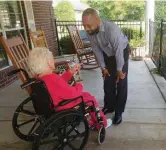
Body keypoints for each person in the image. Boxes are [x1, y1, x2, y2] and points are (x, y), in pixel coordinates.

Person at [28, 47, 112, 129]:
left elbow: (58, 85)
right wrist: (79, 86)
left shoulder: (39, 79)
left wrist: (70, 72)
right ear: (49, 63)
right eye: (53, 59)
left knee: (86, 95)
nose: (54, 61)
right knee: (90, 99)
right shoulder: (53, 78)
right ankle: (102, 124)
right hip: (62, 106)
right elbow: (72, 93)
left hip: (51, 106)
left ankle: (92, 120)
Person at [82, 8, 130, 125]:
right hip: (107, 54)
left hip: (121, 52)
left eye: (89, 25)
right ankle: (110, 106)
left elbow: (118, 51)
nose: (86, 29)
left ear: (98, 20)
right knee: (107, 80)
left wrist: (119, 70)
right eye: (84, 26)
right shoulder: (91, 33)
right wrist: (103, 67)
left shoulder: (111, 29)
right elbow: (97, 50)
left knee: (121, 82)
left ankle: (118, 112)